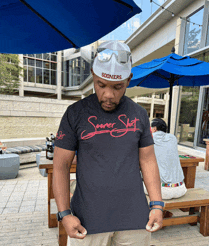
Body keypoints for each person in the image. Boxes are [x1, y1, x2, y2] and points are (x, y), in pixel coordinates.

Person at [53, 40, 163, 246]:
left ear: (128, 80)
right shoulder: (75, 114)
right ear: (93, 76)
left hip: (135, 219)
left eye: (117, 87)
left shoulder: (139, 114)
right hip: (87, 221)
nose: (108, 95)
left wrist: (157, 205)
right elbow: (60, 166)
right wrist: (64, 214)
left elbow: (148, 161)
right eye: (101, 85)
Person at [143, 118, 187, 200]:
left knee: (136, 184)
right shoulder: (173, 138)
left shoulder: (148, 140)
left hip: (161, 191)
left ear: (154, 129)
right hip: (181, 188)